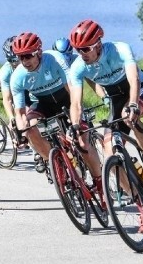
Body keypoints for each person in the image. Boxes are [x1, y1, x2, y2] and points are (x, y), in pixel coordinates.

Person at [66, 19, 143, 187]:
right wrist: (75, 125)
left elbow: (134, 80)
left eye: (85, 49)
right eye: (78, 50)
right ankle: (139, 200)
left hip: (138, 91)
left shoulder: (120, 49)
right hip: (115, 99)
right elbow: (76, 103)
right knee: (109, 153)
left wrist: (134, 104)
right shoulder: (78, 67)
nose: (81, 53)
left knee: (128, 117)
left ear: (98, 45)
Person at [9, 32, 90, 176]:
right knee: (29, 128)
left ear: (39, 52)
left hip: (64, 98)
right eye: (21, 57)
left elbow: (71, 90)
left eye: (28, 56)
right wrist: (21, 133)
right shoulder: (17, 76)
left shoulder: (55, 59)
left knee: (79, 136)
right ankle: (54, 162)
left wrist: (76, 114)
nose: (24, 61)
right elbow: (20, 112)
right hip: (41, 103)